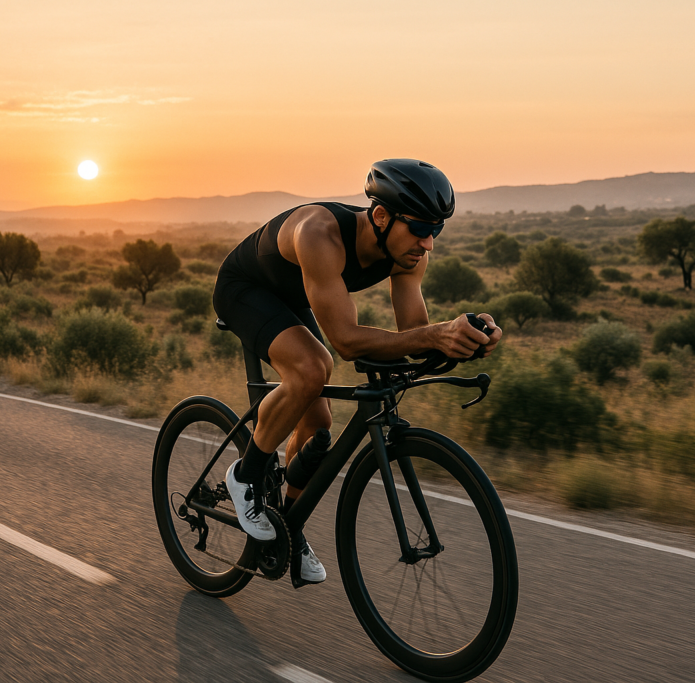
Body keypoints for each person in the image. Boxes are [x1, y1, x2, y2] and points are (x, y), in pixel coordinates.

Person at [212, 159, 502, 585]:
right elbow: (345, 341)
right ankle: (246, 475)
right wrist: (436, 336)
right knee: (313, 368)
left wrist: (465, 342)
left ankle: (288, 528)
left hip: (295, 297)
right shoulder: (320, 233)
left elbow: (414, 334)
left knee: (319, 423)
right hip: (245, 289)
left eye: (436, 230)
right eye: (421, 227)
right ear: (381, 217)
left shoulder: (408, 255)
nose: (428, 243)